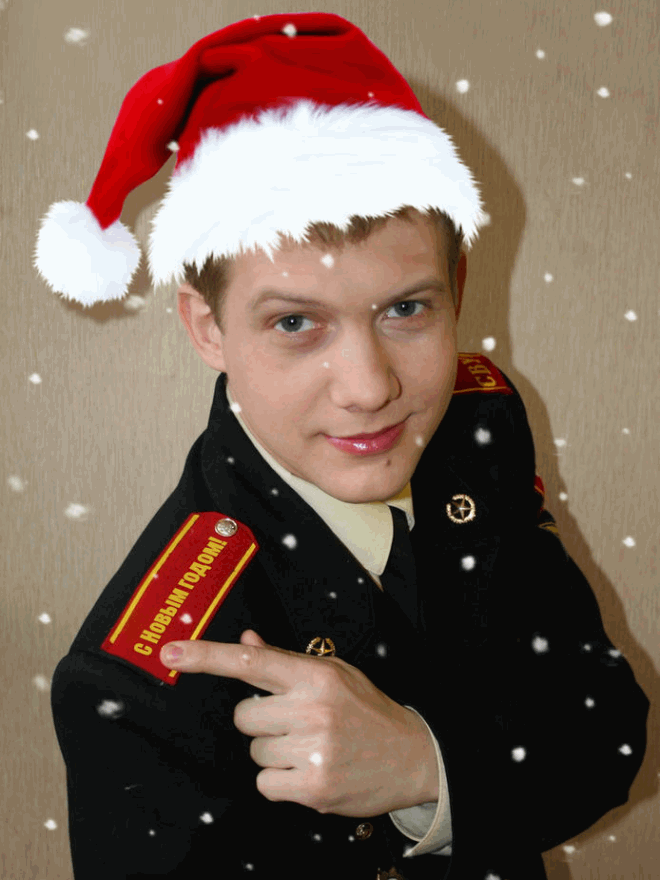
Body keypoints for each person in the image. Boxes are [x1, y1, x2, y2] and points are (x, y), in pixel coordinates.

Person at [35, 13, 649, 880]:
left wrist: (426, 769)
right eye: (296, 323)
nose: (368, 388)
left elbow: (607, 730)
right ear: (206, 327)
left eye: (406, 309)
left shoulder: (479, 425)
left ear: (457, 287)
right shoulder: (136, 679)